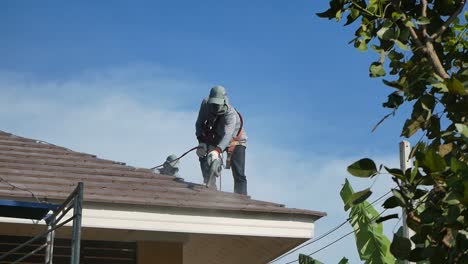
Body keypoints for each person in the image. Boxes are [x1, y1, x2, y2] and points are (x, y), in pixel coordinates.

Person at [195, 86, 248, 195]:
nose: (215, 106)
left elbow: (228, 136)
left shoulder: (230, 114)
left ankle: (241, 199)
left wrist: (217, 151)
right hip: (217, 137)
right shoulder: (205, 104)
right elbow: (199, 123)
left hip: (235, 141)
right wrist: (201, 142)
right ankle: (210, 189)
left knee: (239, 173)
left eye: (217, 104)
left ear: (224, 101)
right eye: (213, 103)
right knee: (205, 158)